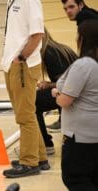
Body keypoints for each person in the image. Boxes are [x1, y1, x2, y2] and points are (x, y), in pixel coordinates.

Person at [1, 0, 50, 178]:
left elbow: (37, 34)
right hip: (11, 64)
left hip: (23, 65)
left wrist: (21, 57)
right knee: (25, 113)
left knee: (25, 115)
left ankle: (29, 162)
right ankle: (40, 158)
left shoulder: (30, 1)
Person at [52, 20, 98, 191]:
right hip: (93, 135)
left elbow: (65, 100)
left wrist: (56, 94)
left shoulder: (84, 65)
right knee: (93, 180)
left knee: (74, 177)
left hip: (80, 136)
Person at [36, 27, 78, 155]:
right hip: (76, 92)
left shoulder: (50, 53)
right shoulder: (57, 48)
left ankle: (45, 144)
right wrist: (49, 84)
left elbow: (66, 84)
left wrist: (49, 86)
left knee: (32, 102)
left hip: (74, 95)